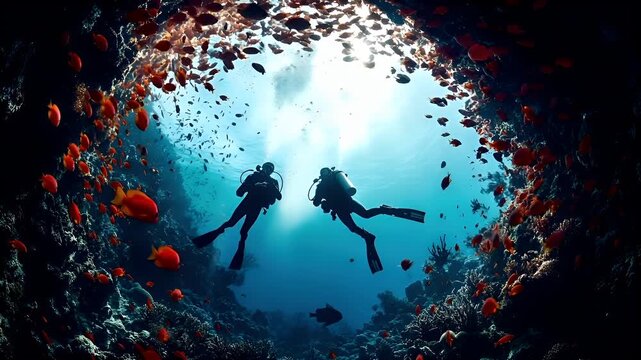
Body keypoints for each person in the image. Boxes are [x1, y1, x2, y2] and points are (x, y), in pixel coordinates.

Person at [311, 167, 425, 274]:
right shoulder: (334, 177)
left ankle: (369, 233)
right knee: (364, 216)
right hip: (347, 204)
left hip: (342, 207)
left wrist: (322, 201)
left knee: (356, 224)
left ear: (321, 176)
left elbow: (316, 203)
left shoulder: (321, 186)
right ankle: (383, 213)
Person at [192, 162, 282, 270]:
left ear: (272, 172)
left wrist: (271, 187)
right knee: (230, 223)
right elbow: (239, 192)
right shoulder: (253, 176)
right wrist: (255, 185)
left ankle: (237, 259)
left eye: (270, 169)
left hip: (256, 208)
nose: (267, 170)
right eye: (266, 168)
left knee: (244, 232)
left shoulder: (273, 182)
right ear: (262, 167)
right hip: (246, 203)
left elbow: (276, 198)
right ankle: (213, 235)